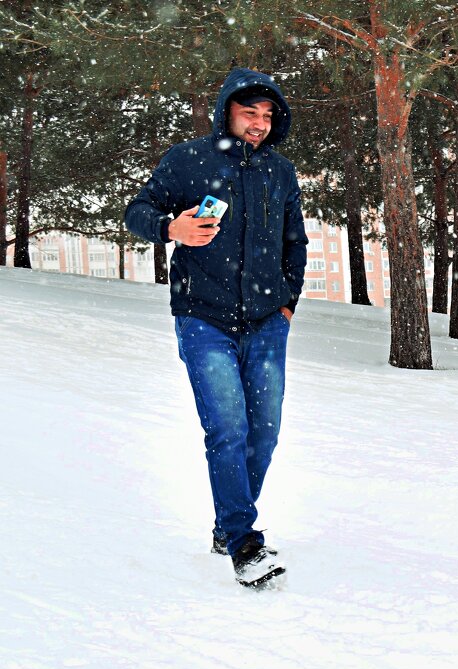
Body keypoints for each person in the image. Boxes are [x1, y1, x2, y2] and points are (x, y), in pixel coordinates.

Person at [125, 67, 308, 588]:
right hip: (202, 318)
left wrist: (287, 305)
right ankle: (245, 542)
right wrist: (171, 228)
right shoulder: (187, 161)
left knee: (264, 434)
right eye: (250, 113)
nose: (259, 124)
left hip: (268, 322)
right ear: (227, 110)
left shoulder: (281, 172)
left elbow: (295, 242)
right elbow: (136, 211)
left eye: (267, 116)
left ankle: (228, 526)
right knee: (227, 427)